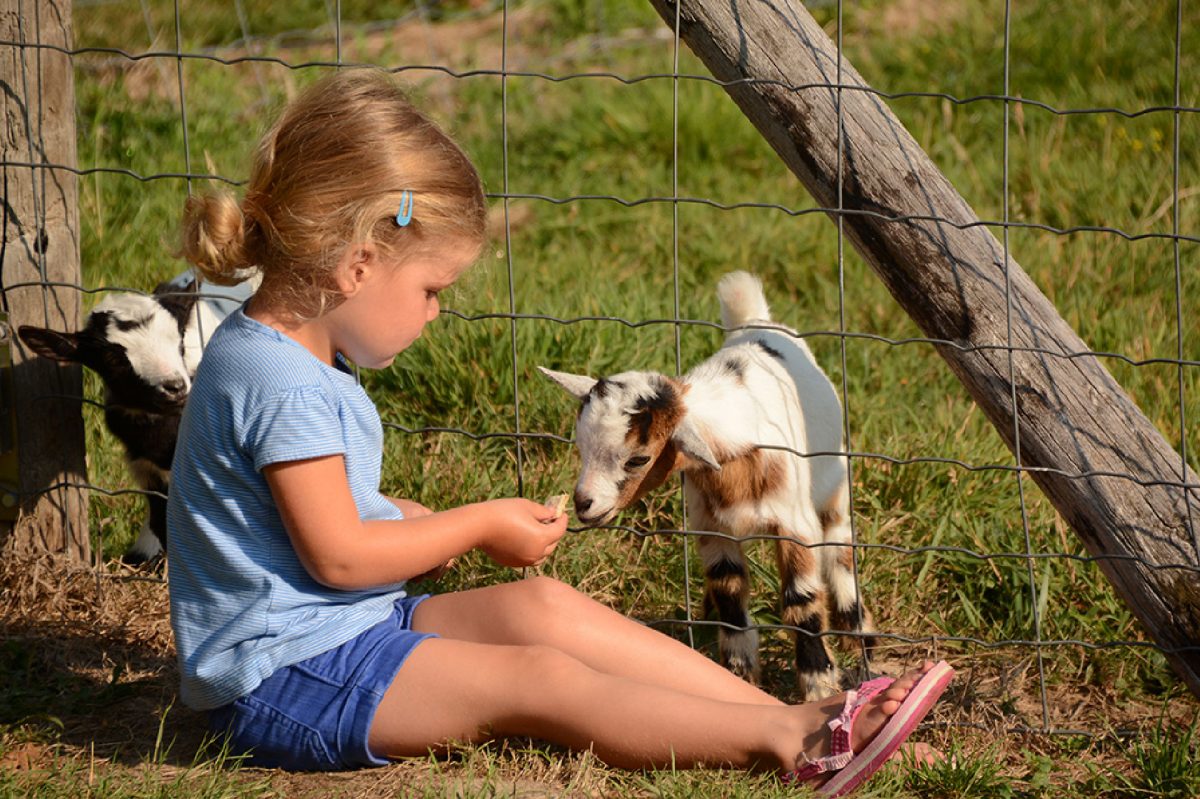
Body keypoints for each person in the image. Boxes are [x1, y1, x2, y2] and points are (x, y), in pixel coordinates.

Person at [167, 67, 953, 795]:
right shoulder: (283, 382)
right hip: (286, 678)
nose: (437, 310)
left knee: (543, 604)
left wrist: (433, 523)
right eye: (432, 287)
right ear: (358, 264)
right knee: (536, 677)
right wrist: (472, 526)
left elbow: (332, 513)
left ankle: (790, 713)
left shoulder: (276, 355)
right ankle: (794, 739)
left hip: (342, 628)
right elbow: (338, 553)